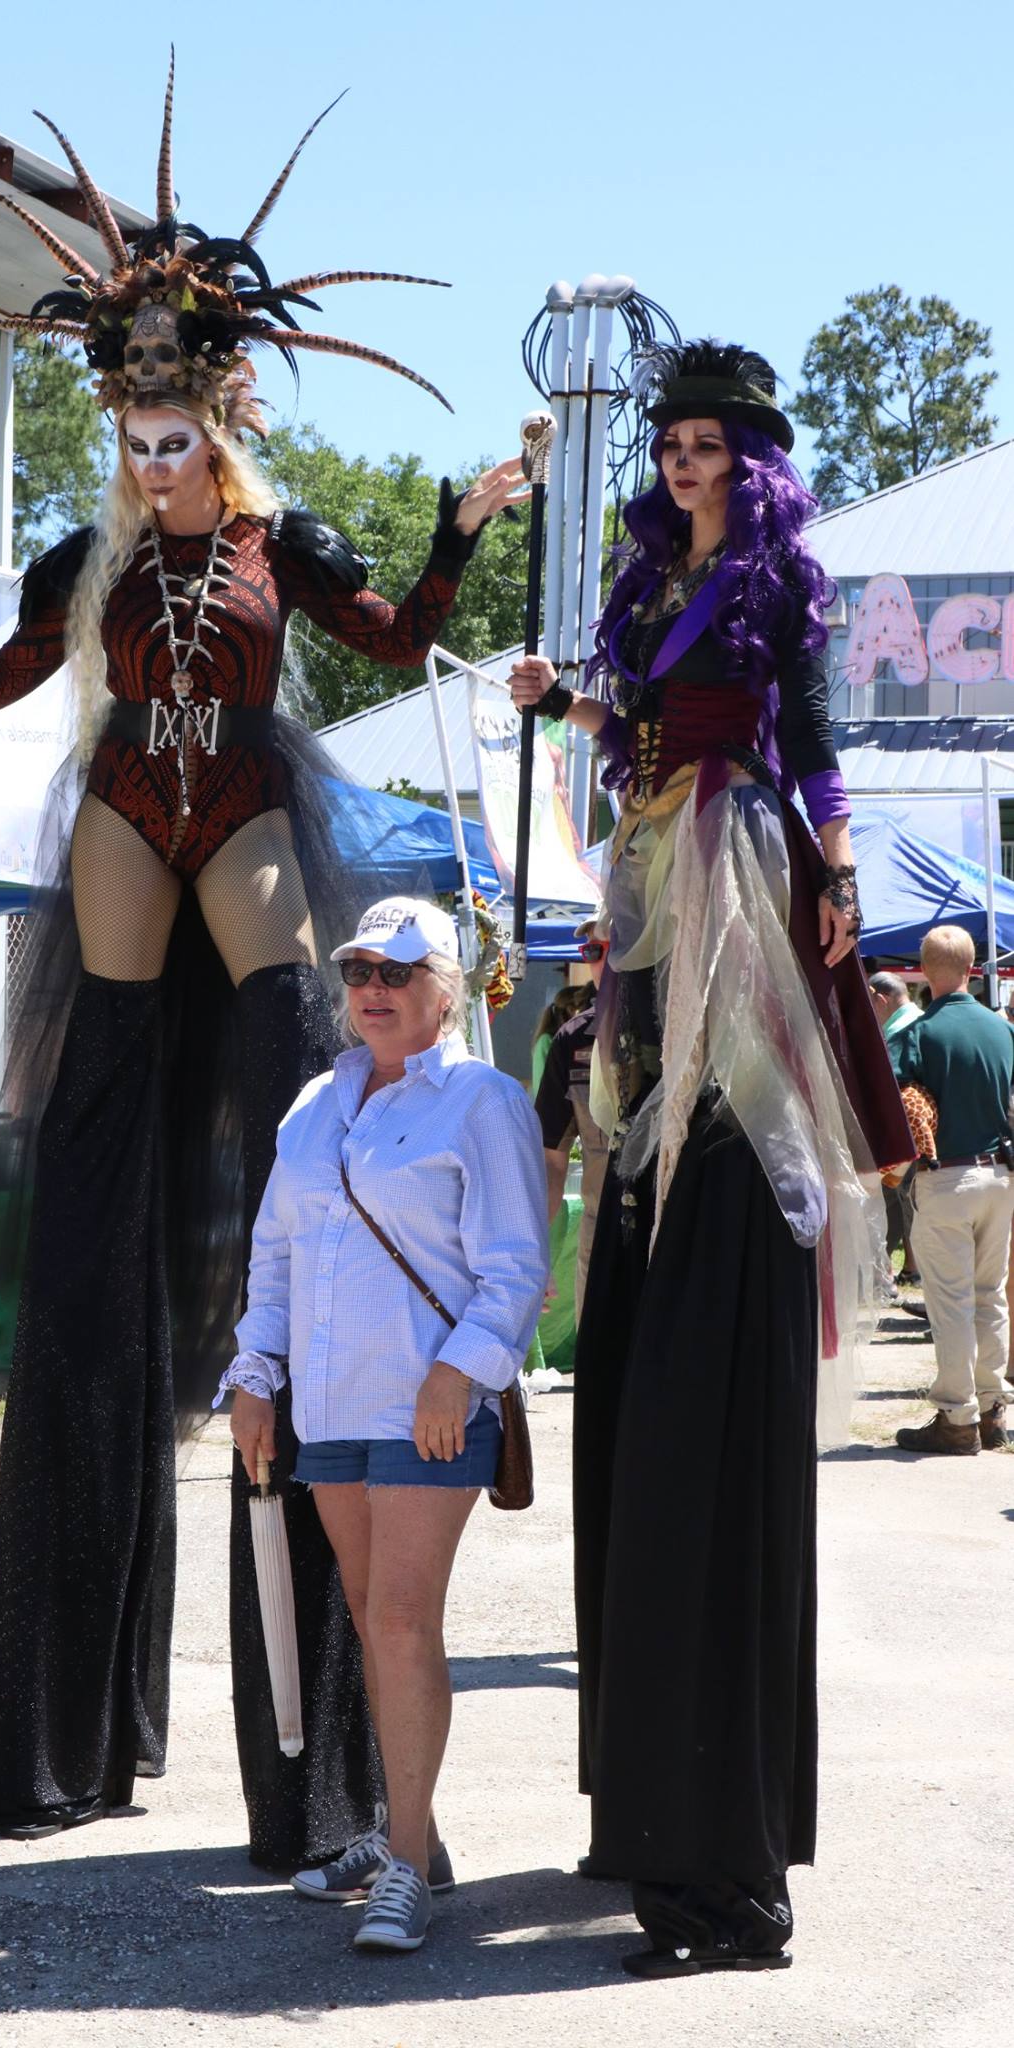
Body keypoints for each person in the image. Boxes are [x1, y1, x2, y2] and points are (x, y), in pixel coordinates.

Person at [0, 79, 523, 1866]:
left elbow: (398, 641)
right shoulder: (90, 556)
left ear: (222, 420)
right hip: (123, 808)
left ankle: (317, 1756)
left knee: (296, 1117)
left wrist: (456, 534)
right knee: (94, 1185)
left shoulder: (280, 546)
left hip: (247, 808)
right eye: (132, 430)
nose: (153, 456)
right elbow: (9, 676)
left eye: (175, 430)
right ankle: (63, 1718)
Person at [510, 340, 910, 1975]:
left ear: (752, 462)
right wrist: (564, 702)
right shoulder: (651, 585)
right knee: (635, 1117)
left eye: (708, 443)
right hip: (651, 865)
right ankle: (654, 1821)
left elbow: (807, 733)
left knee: (716, 1109)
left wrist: (840, 874)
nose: (682, 462)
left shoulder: (767, 582)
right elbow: (638, 726)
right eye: (670, 441)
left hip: (737, 859)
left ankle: (720, 1868)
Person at [221, 896, 548, 1952]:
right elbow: (275, 1252)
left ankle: (404, 1862)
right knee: (370, 1618)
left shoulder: (483, 1100)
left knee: (401, 1620)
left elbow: (516, 1265)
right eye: (360, 969)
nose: (373, 989)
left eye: (399, 972)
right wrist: (255, 1371)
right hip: (329, 1404)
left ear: (447, 991)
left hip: (428, 1406)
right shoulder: (315, 1102)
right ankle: (416, 1836)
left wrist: (462, 1372)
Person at [890, 926, 1014, 1454]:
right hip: (1000, 1176)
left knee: (952, 1304)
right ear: (971, 968)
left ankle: (957, 1419)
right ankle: (992, 1409)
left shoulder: (918, 1033)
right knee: (991, 1296)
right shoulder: (1002, 1030)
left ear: (923, 970)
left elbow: (891, 1102)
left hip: (946, 1176)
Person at [534, 923, 610, 1320]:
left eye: (620, 945)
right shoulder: (573, 1040)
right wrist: (533, 1252)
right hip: (602, 1239)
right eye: (594, 951)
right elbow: (550, 1158)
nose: (607, 962)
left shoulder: (692, 1028)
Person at [870, 973, 924, 1281]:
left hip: (906, 1136)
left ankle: (889, 1271)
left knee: (900, 1199)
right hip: (920, 1135)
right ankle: (905, 1268)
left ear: (881, 1000)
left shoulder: (902, 1032)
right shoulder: (922, 1022)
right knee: (904, 1200)